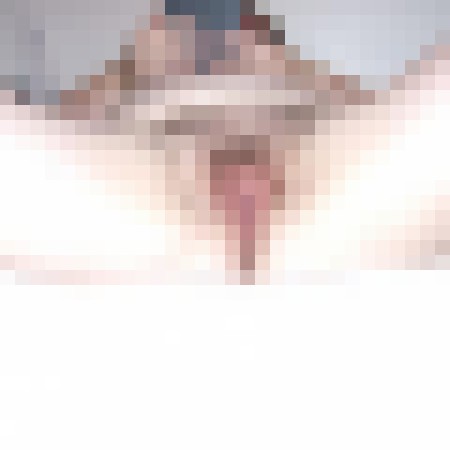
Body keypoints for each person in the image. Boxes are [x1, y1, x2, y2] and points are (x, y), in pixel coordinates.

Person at [1, 0, 449, 284]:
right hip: (155, 159)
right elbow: (69, 116)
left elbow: (363, 105)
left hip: (306, 150)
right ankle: (281, 250)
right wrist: (131, 69)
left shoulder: (270, 43)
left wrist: (283, 63)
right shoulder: (148, 46)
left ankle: (207, 253)